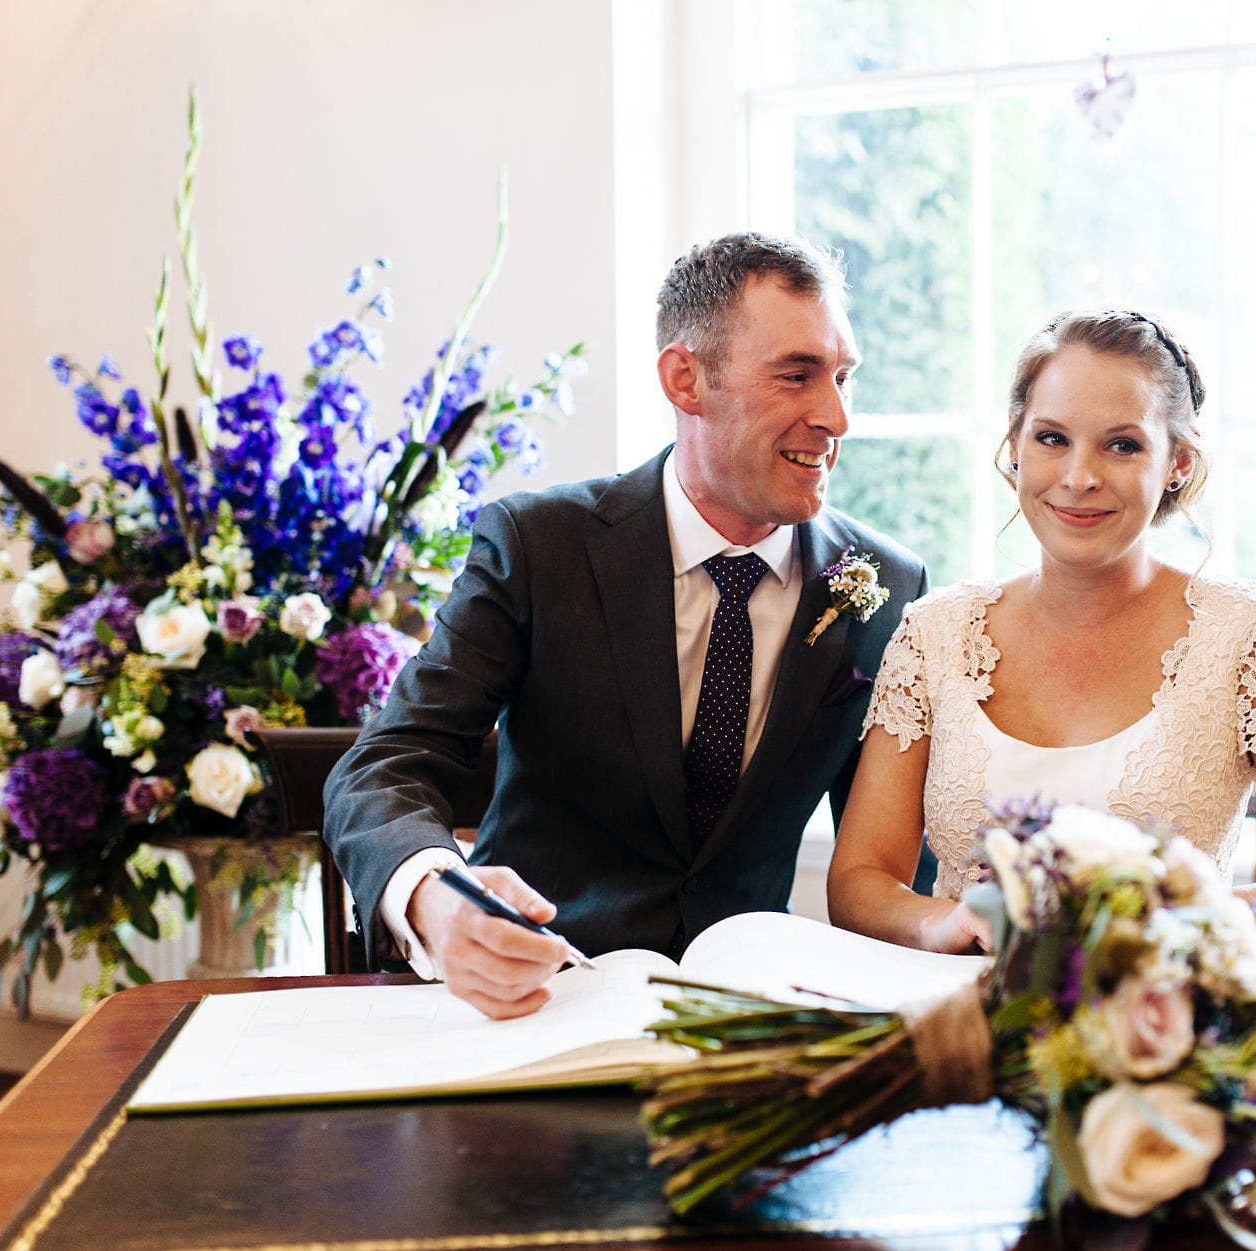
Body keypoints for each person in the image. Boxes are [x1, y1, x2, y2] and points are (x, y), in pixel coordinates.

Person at [323, 232, 928, 1018]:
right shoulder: (538, 546)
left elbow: (890, 858)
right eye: (797, 375)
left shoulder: (885, 584)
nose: (836, 417)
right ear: (686, 378)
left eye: (843, 378)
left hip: (746, 1020)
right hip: (534, 1001)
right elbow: (385, 764)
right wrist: (436, 896)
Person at [827, 309, 1256, 954]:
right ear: (1015, 445)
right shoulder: (933, 633)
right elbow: (859, 881)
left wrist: (1183, 918)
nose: (1079, 477)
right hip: (963, 1005)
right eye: (1052, 438)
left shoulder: (1244, 638)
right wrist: (939, 923)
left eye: (1123, 445)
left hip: (1163, 1005)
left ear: (1178, 462)